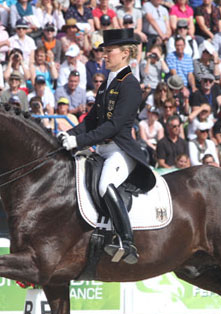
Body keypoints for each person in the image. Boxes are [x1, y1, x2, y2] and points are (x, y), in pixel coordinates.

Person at [58, 28, 155, 265]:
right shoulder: (106, 83)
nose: (105, 55)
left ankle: (126, 240)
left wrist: (79, 142)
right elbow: (91, 120)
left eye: (109, 51)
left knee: (104, 185)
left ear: (124, 54)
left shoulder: (130, 84)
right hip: (101, 149)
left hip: (120, 150)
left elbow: (114, 126)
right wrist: (67, 135)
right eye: (104, 51)